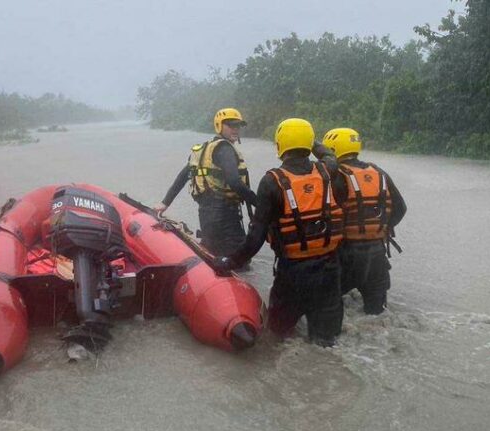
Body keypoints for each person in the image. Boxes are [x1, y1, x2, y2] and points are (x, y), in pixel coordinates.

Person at [215, 118, 347, 347]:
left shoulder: (271, 182)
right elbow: (329, 155)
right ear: (308, 144)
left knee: (277, 338)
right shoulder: (328, 170)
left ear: (279, 145)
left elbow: (255, 239)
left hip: (292, 276)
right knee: (326, 343)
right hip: (329, 273)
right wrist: (311, 140)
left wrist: (230, 261)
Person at [321, 127, 407, 315]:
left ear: (332, 150)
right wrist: (380, 228)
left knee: (329, 308)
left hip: (345, 254)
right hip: (377, 254)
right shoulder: (378, 172)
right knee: (377, 315)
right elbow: (400, 208)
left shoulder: (335, 177)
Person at [154, 108, 257, 258]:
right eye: (230, 125)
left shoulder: (203, 149)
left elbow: (183, 176)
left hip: (206, 213)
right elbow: (235, 182)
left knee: (213, 253)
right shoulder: (225, 149)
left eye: (238, 125)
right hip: (225, 215)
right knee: (240, 262)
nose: (235, 129)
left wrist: (165, 203)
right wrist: (260, 203)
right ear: (219, 126)